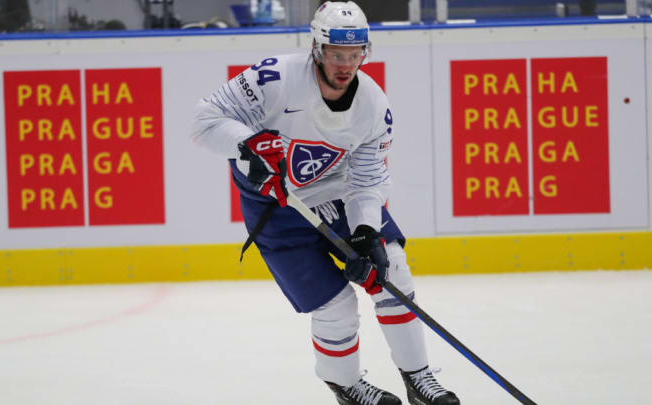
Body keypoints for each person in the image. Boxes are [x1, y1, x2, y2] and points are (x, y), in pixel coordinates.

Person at [191, 2, 460, 404]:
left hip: (336, 194)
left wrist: (367, 234)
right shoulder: (274, 79)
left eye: (355, 55)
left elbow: (367, 180)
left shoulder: (373, 105)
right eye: (337, 54)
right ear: (317, 48)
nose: (345, 65)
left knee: (392, 273)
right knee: (336, 307)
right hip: (276, 209)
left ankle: (418, 378)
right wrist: (245, 144)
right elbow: (204, 121)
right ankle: (347, 385)